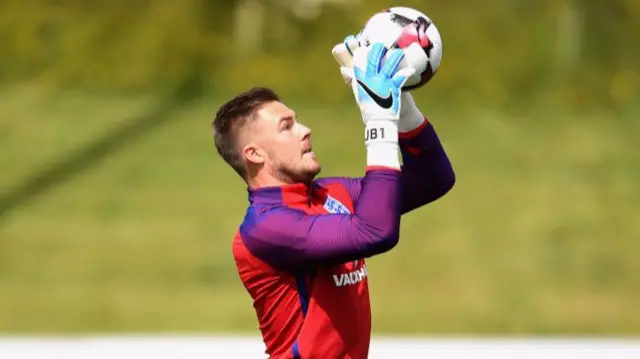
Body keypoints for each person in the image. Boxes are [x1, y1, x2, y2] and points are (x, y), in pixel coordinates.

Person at [211, 38, 455, 359]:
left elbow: (433, 178)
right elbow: (375, 232)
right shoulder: (266, 229)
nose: (305, 130)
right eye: (287, 127)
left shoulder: (331, 194)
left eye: (297, 120)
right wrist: (379, 119)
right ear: (254, 154)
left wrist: (399, 99)